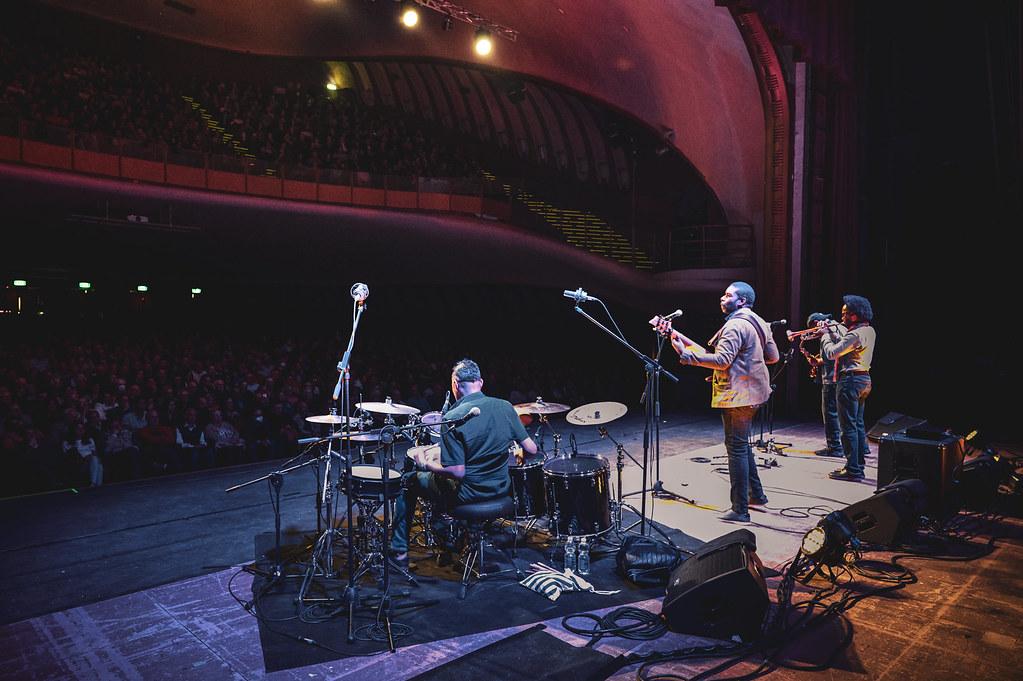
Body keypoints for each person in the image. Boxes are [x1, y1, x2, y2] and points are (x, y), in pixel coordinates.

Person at [391, 358, 537, 567]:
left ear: (455, 384)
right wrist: (520, 454)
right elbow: (532, 449)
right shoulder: (505, 407)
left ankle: (400, 555)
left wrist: (425, 464)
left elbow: (457, 472)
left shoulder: (454, 417)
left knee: (408, 481)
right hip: (501, 490)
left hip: (469, 494)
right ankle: (453, 536)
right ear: (481, 382)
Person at [659, 282, 780, 522]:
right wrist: (744, 365)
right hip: (756, 393)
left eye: (728, 295)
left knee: (736, 448)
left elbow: (723, 360)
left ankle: (740, 510)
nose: (722, 299)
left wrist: (687, 355)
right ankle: (756, 495)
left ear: (742, 301)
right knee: (742, 445)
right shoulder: (760, 323)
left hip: (738, 396)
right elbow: (773, 357)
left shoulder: (734, 325)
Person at [819, 295, 876, 481]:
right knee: (858, 424)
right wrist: (834, 332)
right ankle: (858, 465)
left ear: (854, 315)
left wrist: (826, 334)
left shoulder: (855, 334)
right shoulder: (869, 331)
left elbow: (832, 352)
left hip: (850, 381)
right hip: (864, 379)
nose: (841, 316)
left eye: (845, 313)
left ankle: (853, 469)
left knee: (848, 427)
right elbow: (846, 343)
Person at [798, 312, 846, 459]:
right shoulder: (839, 328)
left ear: (816, 323)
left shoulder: (830, 329)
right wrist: (817, 361)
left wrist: (824, 334)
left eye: (813, 329)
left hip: (832, 378)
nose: (814, 333)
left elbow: (834, 354)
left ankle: (834, 447)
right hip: (839, 376)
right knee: (848, 414)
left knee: (830, 413)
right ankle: (860, 447)